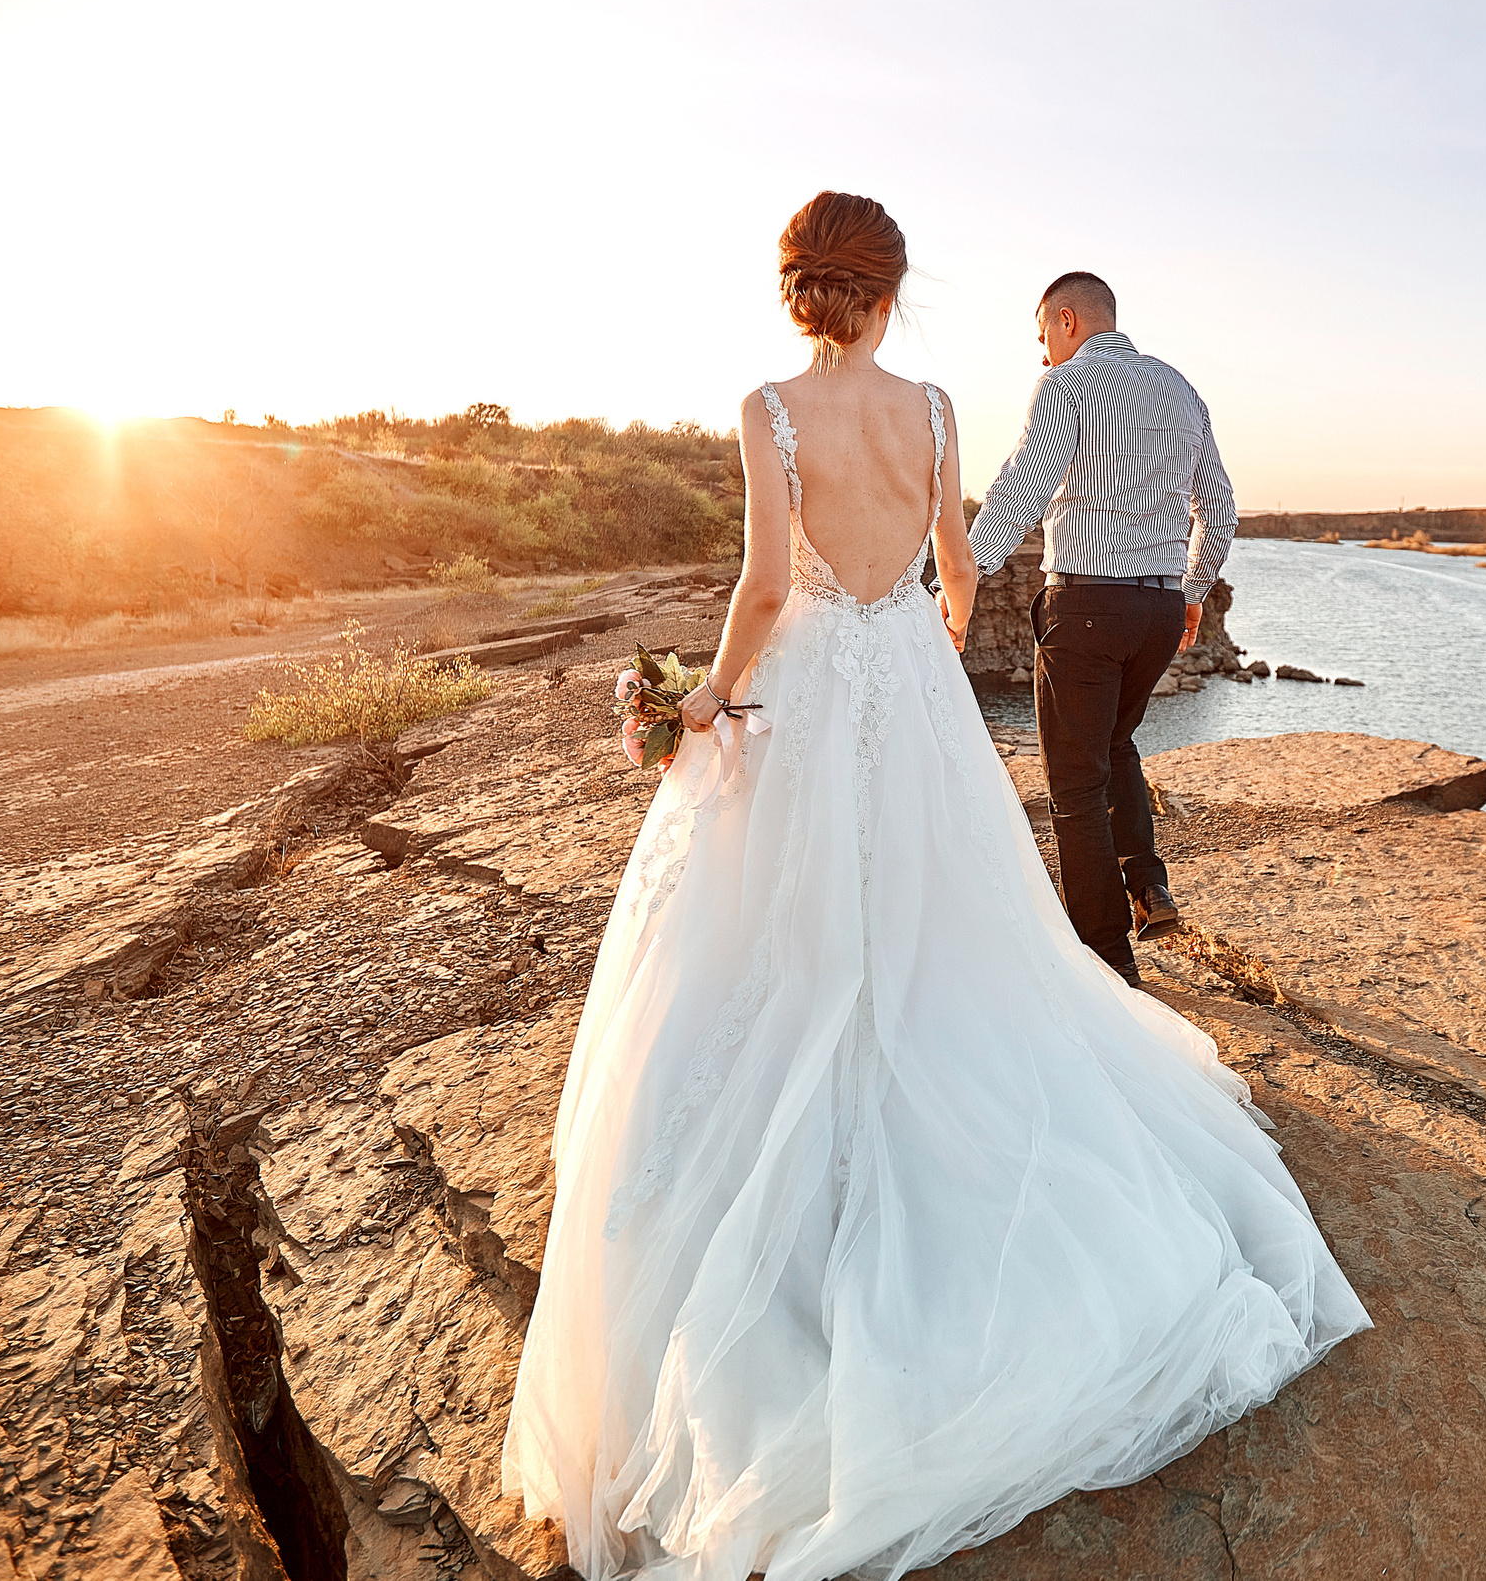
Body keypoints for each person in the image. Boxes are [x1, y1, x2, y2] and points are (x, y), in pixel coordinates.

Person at [500, 192, 1368, 1581]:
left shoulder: (769, 407)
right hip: (910, 678)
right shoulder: (947, 407)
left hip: (811, 680)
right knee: (946, 921)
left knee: (775, 930)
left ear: (797, 294)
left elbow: (768, 581)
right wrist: (920, 638)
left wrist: (707, 703)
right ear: (892, 289)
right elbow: (963, 566)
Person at [957, 272, 1237, 987]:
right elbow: (1222, 509)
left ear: (1067, 320)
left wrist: (955, 583)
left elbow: (1021, 488)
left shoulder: (1067, 385)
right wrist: (1194, 591)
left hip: (1085, 606)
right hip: (1159, 610)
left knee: (1074, 787)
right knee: (1114, 742)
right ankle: (1148, 885)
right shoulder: (1180, 389)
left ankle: (1108, 962)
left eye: (1043, 337)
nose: (1042, 354)